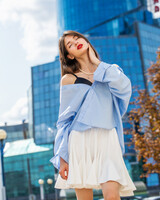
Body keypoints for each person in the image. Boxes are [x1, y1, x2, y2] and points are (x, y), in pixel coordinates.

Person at [50, 30, 137, 200]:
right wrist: (62, 157)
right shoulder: (69, 79)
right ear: (70, 55)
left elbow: (125, 89)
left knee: (112, 196)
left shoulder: (110, 71)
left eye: (77, 38)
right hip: (79, 140)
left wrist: (97, 63)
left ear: (86, 41)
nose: (76, 43)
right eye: (70, 45)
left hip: (107, 138)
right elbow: (64, 121)